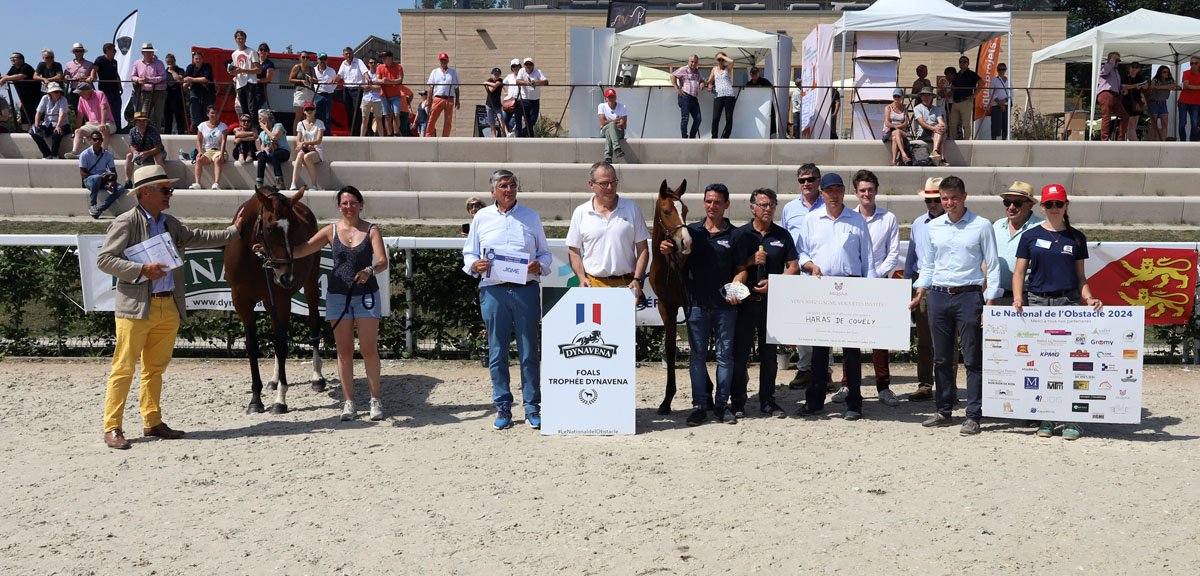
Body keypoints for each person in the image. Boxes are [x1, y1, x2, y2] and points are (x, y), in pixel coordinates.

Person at [96, 164, 241, 449]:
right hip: (136, 308)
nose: (170, 194)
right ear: (146, 192)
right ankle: (112, 427)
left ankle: (152, 421)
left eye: (169, 189)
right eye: (165, 189)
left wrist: (235, 231)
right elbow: (105, 260)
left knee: (155, 369)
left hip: (168, 306)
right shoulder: (126, 222)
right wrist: (141, 269)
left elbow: (197, 236)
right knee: (123, 368)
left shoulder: (169, 222)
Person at [910, 176, 1001, 436]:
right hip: (938, 295)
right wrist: (920, 290)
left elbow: (993, 264)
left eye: (954, 198)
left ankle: (973, 415)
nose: (949, 203)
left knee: (972, 358)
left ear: (964, 197)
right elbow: (928, 263)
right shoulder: (933, 227)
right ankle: (943, 411)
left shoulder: (981, 225)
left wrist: (990, 301)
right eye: (945, 199)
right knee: (941, 358)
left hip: (969, 296)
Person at [1012, 184, 1103, 441]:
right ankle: (1047, 416)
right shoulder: (1029, 236)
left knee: (1071, 363)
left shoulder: (1077, 238)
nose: (1054, 208)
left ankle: (1072, 418)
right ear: (1042, 206)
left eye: (1058, 204)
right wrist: (1018, 297)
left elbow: (1081, 277)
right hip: (1038, 304)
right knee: (1042, 363)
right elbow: (1019, 272)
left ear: (1066, 205)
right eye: (1049, 204)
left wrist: (1089, 298)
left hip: (1068, 304)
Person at [288, 186, 387, 421]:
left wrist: (369, 270)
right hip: (337, 296)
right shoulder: (330, 231)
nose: (349, 207)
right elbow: (301, 250)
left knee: (368, 348)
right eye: (344, 203)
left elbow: (382, 261)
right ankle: (349, 401)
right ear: (339, 206)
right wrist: (272, 249)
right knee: (344, 352)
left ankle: (375, 399)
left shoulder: (372, 230)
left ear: (361, 204)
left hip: (366, 295)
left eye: (353, 202)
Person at [462, 170, 552, 430]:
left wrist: (539, 265)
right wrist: (474, 265)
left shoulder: (531, 216)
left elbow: (545, 254)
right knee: (497, 352)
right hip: (493, 291)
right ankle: (502, 406)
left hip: (526, 290)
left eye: (512, 185)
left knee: (529, 351)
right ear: (493, 191)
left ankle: (532, 407)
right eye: (503, 186)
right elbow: (469, 252)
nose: (509, 190)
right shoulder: (482, 217)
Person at [795, 173, 876, 420]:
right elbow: (801, 252)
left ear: (844, 192)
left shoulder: (857, 220)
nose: (834, 195)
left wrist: (870, 290)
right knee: (819, 350)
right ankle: (815, 400)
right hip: (821, 287)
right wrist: (810, 265)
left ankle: (854, 402)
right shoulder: (811, 220)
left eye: (838, 190)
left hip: (851, 288)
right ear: (822, 193)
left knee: (852, 351)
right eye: (829, 191)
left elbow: (868, 259)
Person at [664, 183, 740, 425]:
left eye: (717, 202)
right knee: (697, 357)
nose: (712, 206)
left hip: (726, 307)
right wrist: (667, 251)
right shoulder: (691, 232)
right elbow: (677, 263)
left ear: (726, 204)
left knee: (725, 356)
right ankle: (699, 405)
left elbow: (741, 269)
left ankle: (721, 405)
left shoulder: (735, 234)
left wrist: (737, 286)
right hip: (696, 305)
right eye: (708, 201)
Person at [832, 169, 900, 408]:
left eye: (870, 189)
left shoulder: (888, 218)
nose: (866, 194)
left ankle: (883, 386)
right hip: (853, 284)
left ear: (876, 191)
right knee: (848, 337)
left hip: (878, 284)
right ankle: (847, 384)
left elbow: (893, 253)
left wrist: (875, 275)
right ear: (855, 192)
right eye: (862, 190)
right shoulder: (848, 218)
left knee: (879, 338)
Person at [731, 187, 798, 418]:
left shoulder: (782, 235)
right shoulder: (740, 235)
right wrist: (750, 260)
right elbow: (732, 267)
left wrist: (776, 283)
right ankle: (738, 401)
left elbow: (794, 267)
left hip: (771, 303)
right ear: (752, 208)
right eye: (763, 205)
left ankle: (768, 401)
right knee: (740, 354)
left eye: (771, 205)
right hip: (746, 303)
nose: (768, 209)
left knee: (769, 355)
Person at [565, 161, 649, 302]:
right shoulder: (581, 212)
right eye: (604, 183)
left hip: (626, 286)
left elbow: (643, 249)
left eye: (613, 182)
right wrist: (581, 277)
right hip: (593, 286)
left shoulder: (632, 208)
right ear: (591, 184)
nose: (610, 187)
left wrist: (637, 279)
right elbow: (573, 251)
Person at [779, 163, 825, 389]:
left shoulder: (828, 204)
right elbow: (785, 241)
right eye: (802, 180)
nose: (806, 183)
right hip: (798, 271)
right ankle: (806, 368)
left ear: (818, 181)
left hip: (821, 272)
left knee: (824, 323)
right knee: (803, 323)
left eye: (810, 179)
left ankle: (824, 370)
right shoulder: (789, 209)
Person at [903, 178, 946, 402]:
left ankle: (947, 386)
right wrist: (908, 286)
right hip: (923, 284)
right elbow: (911, 258)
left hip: (947, 282)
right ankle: (925, 383)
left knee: (947, 339)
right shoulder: (919, 223)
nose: (933, 204)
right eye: (929, 200)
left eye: (936, 200)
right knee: (924, 339)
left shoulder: (955, 223)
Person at [993, 181, 1043, 306]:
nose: (1011, 207)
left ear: (1030, 205)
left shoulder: (1041, 228)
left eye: (1017, 203)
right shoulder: (997, 225)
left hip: (1028, 298)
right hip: (996, 295)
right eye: (1007, 202)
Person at [78, 131, 126, 219]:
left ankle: (100, 209)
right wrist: (99, 176)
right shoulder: (84, 154)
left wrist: (112, 181)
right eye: (95, 139)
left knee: (120, 189)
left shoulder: (108, 154)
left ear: (102, 140)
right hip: (89, 180)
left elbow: (113, 171)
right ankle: (93, 205)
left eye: (100, 139)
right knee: (96, 178)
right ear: (91, 140)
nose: (98, 141)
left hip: (103, 180)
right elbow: (83, 173)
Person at [64, 82, 114, 157]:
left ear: (88, 90)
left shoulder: (99, 94)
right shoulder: (81, 98)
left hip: (108, 122)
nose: (80, 95)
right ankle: (74, 152)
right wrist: (77, 128)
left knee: (104, 129)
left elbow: (104, 108)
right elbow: (80, 115)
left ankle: (103, 154)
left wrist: (103, 123)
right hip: (91, 124)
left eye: (81, 92)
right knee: (78, 131)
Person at [190, 106, 227, 190]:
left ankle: (216, 183)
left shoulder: (223, 126)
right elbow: (199, 140)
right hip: (207, 151)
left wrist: (221, 153)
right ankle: (197, 183)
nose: (214, 115)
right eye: (212, 113)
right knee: (198, 159)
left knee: (217, 160)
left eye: (216, 113)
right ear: (208, 114)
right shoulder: (202, 125)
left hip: (218, 150)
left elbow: (223, 141)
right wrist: (200, 152)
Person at [123, 111, 164, 188]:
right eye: (139, 121)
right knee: (129, 156)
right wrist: (135, 152)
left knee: (158, 156)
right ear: (135, 122)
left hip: (153, 153)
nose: (142, 123)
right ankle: (128, 181)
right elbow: (131, 145)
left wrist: (146, 153)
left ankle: (161, 181)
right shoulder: (132, 131)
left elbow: (158, 148)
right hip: (141, 154)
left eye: (144, 121)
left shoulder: (153, 131)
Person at [131, 43, 167, 129]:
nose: (149, 53)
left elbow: (163, 76)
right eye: (147, 52)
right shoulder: (137, 63)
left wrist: (149, 80)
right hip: (145, 93)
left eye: (151, 52)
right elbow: (132, 76)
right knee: (144, 115)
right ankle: (144, 133)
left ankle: (156, 134)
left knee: (158, 116)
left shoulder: (159, 63)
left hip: (159, 92)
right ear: (142, 53)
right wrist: (138, 80)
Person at [29, 82, 69, 159]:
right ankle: (47, 154)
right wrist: (36, 125)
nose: (58, 93)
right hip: (47, 124)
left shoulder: (63, 99)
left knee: (56, 134)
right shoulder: (45, 98)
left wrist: (58, 126)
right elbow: (38, 113)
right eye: (56, 92)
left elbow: (62, 114)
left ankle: (55, 155)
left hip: (62, 124)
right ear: (50, 93)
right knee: (33, 132)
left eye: (59, 91)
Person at [425, 53, 460, 137]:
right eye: (441, 60)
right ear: (439, 61)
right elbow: (431, 87)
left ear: (448, 61)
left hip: (449, 98)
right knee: (432, 118)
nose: (443, 62)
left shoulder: (453, 72)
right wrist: (428, 100)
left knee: (448, 121)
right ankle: (428, 136)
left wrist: (457, 100)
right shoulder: (434, 71)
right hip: (438, 98)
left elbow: (456, 87)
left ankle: (445, 138)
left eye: (444, 60)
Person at [229, 31, 261, 126]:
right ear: (235, 40)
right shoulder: (234, 54)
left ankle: (254, 127)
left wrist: (242, 70)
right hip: (240, 83)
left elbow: (258, 69)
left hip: (250, 82)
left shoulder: (252, 52)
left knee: (252, 107)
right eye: (239, 38)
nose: (240, 40)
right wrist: (232, 72)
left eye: (242, 38)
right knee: (243, 108)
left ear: (245, 39)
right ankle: (246, 127)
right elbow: (236, 69)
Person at [2, 52, 40, 130]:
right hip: (24, 99)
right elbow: (8, 76)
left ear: (21, 59)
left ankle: (39, 131)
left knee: (37, 117)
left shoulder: (26, 67)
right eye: (11, 58)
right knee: (25, 120)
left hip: (35, 99)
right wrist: (2, 78)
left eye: (14, 58)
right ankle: (26, 133)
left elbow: (21, 76)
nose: (12, 59)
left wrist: (5, 79)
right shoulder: (13, 68)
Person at [337, 47, 369, 136]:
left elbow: (365, 72)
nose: (348, 55)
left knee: (356, 111)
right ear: (343, 55)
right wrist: (332, 80)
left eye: (350, 53)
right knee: (349, 111)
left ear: (353, 53)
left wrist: (368, 79)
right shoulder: (343, 63)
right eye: (346, 54)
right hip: (347, 89)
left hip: (357, 89)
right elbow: (339, 75)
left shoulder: (359, 61)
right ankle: (351, 131)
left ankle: (356, 133)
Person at [291, 102, 324, 190]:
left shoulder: (319, 123)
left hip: (317, 150)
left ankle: (314, 185)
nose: (309, 111)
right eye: (307, 109)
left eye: (311, 109)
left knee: (307, 157)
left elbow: (318, 140)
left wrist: (304, 143)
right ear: (304, 111)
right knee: (300, 155)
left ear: (315, 111)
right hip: (306, 149)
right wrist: (303, 145)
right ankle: (293, 183)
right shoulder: (300, 124)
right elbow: (298, 140)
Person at [948, 55, 981, 140]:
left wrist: (974, 95)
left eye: (964, 62)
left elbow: (982, 83)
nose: (962, 63)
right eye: (960, 62)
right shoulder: (957, 75)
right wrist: (946, 94)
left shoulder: (971, 74)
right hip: (955, 102)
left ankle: (966, 141)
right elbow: (953, 87)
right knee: (952, 123)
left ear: (968, 63)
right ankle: (953, 140)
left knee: (966, 124)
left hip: (966, 101)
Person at [1096, 52, 1128, 141]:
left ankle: (1121, 139)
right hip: (1105, 93)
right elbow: (1104, 71)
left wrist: (1122, 88)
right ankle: (1104, 139)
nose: (1117, 62)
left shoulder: (1116, 72)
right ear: (1110, 60)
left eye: (1118, 60)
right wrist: (1112, 61)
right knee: (1107, 117)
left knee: (1125, 116)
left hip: (1114, 95)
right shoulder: (1104, 67)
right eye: (1116, 60)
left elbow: (1116, 85)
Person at [671, 54, 704, 139]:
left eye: (695, 62)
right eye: (692, 61)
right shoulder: (683, 69)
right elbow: (673, 75)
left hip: (694, 98)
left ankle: (692, 137)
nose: (693, 63)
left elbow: (702, 80)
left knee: (698, 119)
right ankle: (684, 138)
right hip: (685, 96)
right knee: (685, 118)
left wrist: (702, 83)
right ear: (688, 61)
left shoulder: (698, 72)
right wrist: (677, 88)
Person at [255, 109, 290, 188]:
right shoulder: (262, 133)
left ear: (266, 118)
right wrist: (264, 149)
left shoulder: (278, 126)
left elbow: (274, 137)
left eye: (260, 118)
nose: (259, 121)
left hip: (283, 151)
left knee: (274, 155)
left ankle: (279, 181)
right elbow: (262, 146)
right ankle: (259, 181)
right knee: (262, 155)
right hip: (270, 152)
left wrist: (265, 128)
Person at [913, 86, 947, 163]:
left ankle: (935, 152)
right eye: (924, 96)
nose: (926, 98)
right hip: (923, 132)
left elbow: (941, 122)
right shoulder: (917, 108)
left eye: (928, 95)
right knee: (941, 133)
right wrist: (935, 128)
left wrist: (942, 126)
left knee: (942, 131)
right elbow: (922, 123)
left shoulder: (936, 109)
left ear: (932, 97)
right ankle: (942, 158)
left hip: (934, 131)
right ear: (921, 97)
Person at [93, 44, 123, 133]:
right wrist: (92, 77)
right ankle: (105, 130)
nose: (115, 52)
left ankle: (118, 130)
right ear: (107, 50)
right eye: (114, 50)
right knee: (105, 110)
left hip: (115, 91)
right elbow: (94, 69)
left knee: (117, 111)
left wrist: (120, 85)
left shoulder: (115, 62)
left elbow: (116, 74)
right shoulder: (100, 59)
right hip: (105, 91)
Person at [376, 51, 406, 137]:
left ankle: (396, 133)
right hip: (384, 95)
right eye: (382, 58)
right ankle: (389, 134)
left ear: (390, 58)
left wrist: (388, 81)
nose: (383, 60)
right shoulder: (380, 67)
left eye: (384, 58)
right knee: (387, 116)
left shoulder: (398, 67)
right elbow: (377, 79)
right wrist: (383, 81)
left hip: (395, 95)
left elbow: (400, 80)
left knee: (396, 115)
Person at [182, 51, 214, 132]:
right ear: (193, 59)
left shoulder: (207, 66)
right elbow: (185, 80)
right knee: (195, 118)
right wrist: (188, 90)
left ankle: (207, 134)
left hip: (208, 94)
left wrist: (192, 80)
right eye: (196, 59)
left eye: (199, 58)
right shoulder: (190, 67)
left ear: (202, 59)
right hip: (195, 93)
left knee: (207, 116)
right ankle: (196, 134)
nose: (198, 60)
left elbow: (206, 79)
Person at [517, 57, 548, 135]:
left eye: (530, 64)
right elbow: (517, 81)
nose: (528, 66)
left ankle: (524, 133)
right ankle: (530, 137)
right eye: (527, 64)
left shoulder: (538, 71)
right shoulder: (521, 71)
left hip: (535, 100)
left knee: (533, 119)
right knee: (527, 120)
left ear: (533, 65)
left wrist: (536, 82)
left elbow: (546, 82)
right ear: (524, 65)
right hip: (524, 99)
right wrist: (526, 83)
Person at [708, 52, 735, 139]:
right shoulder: (714, 69)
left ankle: (725, 137)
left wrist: (722, 56)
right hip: (718, 95)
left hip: (729, 95)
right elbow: (709, 81)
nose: (720, 61)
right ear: (716, 60)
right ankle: (714, 137)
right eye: (719, 59)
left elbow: (732, 61)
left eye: (722, 59)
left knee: (729, 118)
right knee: (715, 118)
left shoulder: (728, 68)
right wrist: (710, 85)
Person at [1146, 66, 1178, 141]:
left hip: (1163, 103)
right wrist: (1167, 87)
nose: (1166, 73)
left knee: (1165, 125)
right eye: (1164, 72)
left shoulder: (1170, 80)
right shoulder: (1155, 79)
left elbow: (1175, 86)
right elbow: (1152, 86)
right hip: (1154, 103)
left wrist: (1164, 87)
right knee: (1154, 125)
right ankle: (1152, 142)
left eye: (1167, 72)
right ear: (1160, 72)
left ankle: (1163, 142)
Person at [597, 88, 627, 163]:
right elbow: (603, 122)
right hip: (606, 131)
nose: (611, 99)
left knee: (609, 131)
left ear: (615, 97)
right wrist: (616, 121)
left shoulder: (622, 106)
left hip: (619, 131)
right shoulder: (601, 106)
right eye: (609, 97)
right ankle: (617, 149)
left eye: (612, 96)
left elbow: (623, 124)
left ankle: (608, 157)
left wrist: (608, 122)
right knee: (611, 126)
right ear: (605, 98)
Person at [64, 43, 96, 111]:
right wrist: (67, 77)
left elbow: (95, 77)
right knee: (77, 110)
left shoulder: (90, 64)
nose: (79, 53)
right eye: (77, 51)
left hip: (87, 90)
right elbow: (66, 77)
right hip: (75, 90)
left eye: (81, 51)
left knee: (89, 110)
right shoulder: (68, 64)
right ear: (74, 52)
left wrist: (90, 78)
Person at [883, 88, 911, 165]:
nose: (896, 98)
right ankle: (903, 154)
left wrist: (895, 127)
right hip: (889, 131)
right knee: (897, 132)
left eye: (898, 96)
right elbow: (887, 123)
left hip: (897, 132)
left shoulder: (904, 109)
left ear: (902, 97)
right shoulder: (888, 108)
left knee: (895, 137)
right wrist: (898, 129)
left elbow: (905, 123)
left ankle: (894, 161)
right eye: (895, 96)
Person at [161, 53, 187, 135]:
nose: (169, 63)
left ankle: (181, 136)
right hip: (167, 97)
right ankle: (167, 136)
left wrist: (172, 71)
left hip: (178, 97)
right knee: (168, 119)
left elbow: (179, 80)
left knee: (179, 119)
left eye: (171, 61)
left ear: (175, 61)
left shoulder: (180, 70)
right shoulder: (164, 72)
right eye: (168, 62)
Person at [1121, 61, 1147, 141]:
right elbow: (1123, 86)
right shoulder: (1125, 77)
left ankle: (1129, 141)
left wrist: (1142, 86)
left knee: (1133, 126)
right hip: (1127, 103)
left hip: (1137, 103)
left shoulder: (1140, 77)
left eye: (1136, 67)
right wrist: (1136, 86)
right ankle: (1136, 143)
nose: (1134, 69)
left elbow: (1146, 85)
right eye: (1132, 67)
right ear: (1129, 68)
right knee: (1131, 125)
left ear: (1139, 69)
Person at [288, 50, 316, 125]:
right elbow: (290, 79)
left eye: (307, 57)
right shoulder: (297, 67)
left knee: (309, 116)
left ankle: (308, 132)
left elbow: (315, 79)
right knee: (298, 116)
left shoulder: (311, 68)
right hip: (300, 92)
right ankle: (295, 132)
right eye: (303, 57)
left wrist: (313, 79)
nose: (306, 59)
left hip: (310, 92)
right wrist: (301, 81)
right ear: (300, 58)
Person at [746, 66, 775, 137]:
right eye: (753, 73)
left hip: (765, 105)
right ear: (750, 74)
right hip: (755, 107)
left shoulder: (764, 81)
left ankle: (771, 135)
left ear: (758, 73)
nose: (754, 75)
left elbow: (772, 89)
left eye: (755, 73)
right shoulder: (748, 84)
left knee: (770, 119)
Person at [1178, 56, 1200, 142]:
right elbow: (1185, 86)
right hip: (1183, 102)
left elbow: (1187, 86)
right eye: (1191, 63)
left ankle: (1191, 143)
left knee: (1194, 124)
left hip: (1196, 103)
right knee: (1182, 124)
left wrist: (1191, 87)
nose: (1193, 65)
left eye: (1195, 63)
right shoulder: (1186, 72)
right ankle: (1183, 142)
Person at [312, 53, 337, 129]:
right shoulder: (313, 70)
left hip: (328, 95)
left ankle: (327, 134)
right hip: (316, 95)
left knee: (327, 116)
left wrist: (330, 86)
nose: (322, 61)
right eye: (321, 59)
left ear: (327, 60)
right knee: (316, 115)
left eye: (324, 59)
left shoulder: (332, 71)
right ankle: (316, 133)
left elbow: (335, 84)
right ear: (317, 60)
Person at [360, 57, 383, 136]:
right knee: (364, 119)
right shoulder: (365, 74)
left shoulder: (379, 74)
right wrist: (373, 86)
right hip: (366, 98)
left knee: (379, 119)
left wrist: (369, 86)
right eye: (371, 63)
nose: (373, 64)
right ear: (368, 64)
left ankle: (382, 139)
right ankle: (361, 138)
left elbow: (380, 88)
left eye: (374, 63)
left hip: (377, 99)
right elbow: (362, 87)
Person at [502, 59, 525, 137]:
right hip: (510, 101)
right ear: (511, 68)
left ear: (520, 66)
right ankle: (507, 136)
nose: (515, 68)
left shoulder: (523, 76)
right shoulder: (509, 76)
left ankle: (518, 139)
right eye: (513, 66)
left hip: (519, 101)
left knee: (518, 122)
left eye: (517, 66)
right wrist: (505, 92)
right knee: (505, 119)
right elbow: (502, 83)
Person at [989, 63, 1011, 140]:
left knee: (1005, 124)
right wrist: (1000, 103)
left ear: (1005, 70)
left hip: (1006, 104)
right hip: (996, 105)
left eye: (1003, 69)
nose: (1001, 71)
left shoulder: (1009, 81)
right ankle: (993, 141)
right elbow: (991, 93)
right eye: (999, 69)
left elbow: (1011, 93)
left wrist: (1004, 102)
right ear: (997, 70)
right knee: (996, 124)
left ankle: (1004, 141)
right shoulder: (994, 80)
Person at [254, 44, 275, 124]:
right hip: (250, 89)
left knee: (256, 109)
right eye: (261, 49)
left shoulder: (269, 64)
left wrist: (256, 80)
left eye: (265, 50)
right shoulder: (254, 62)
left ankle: (257, 126)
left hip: (260, 91)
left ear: (268, 52)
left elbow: (268, 79)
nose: (263, 51)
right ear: (258, 51)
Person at [483, 66, 505, 137]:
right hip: (489, 104)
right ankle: (494, 137)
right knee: (491, 122)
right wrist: (492, 84)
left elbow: (496, 86)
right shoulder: (490, 80)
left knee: (501, 119)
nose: (496, 76)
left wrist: (486, 83)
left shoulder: (500, 80)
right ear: (492, 74)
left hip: (497, 105)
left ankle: (504, 133)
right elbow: (491, 90)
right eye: (495, 74)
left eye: (498, 74)